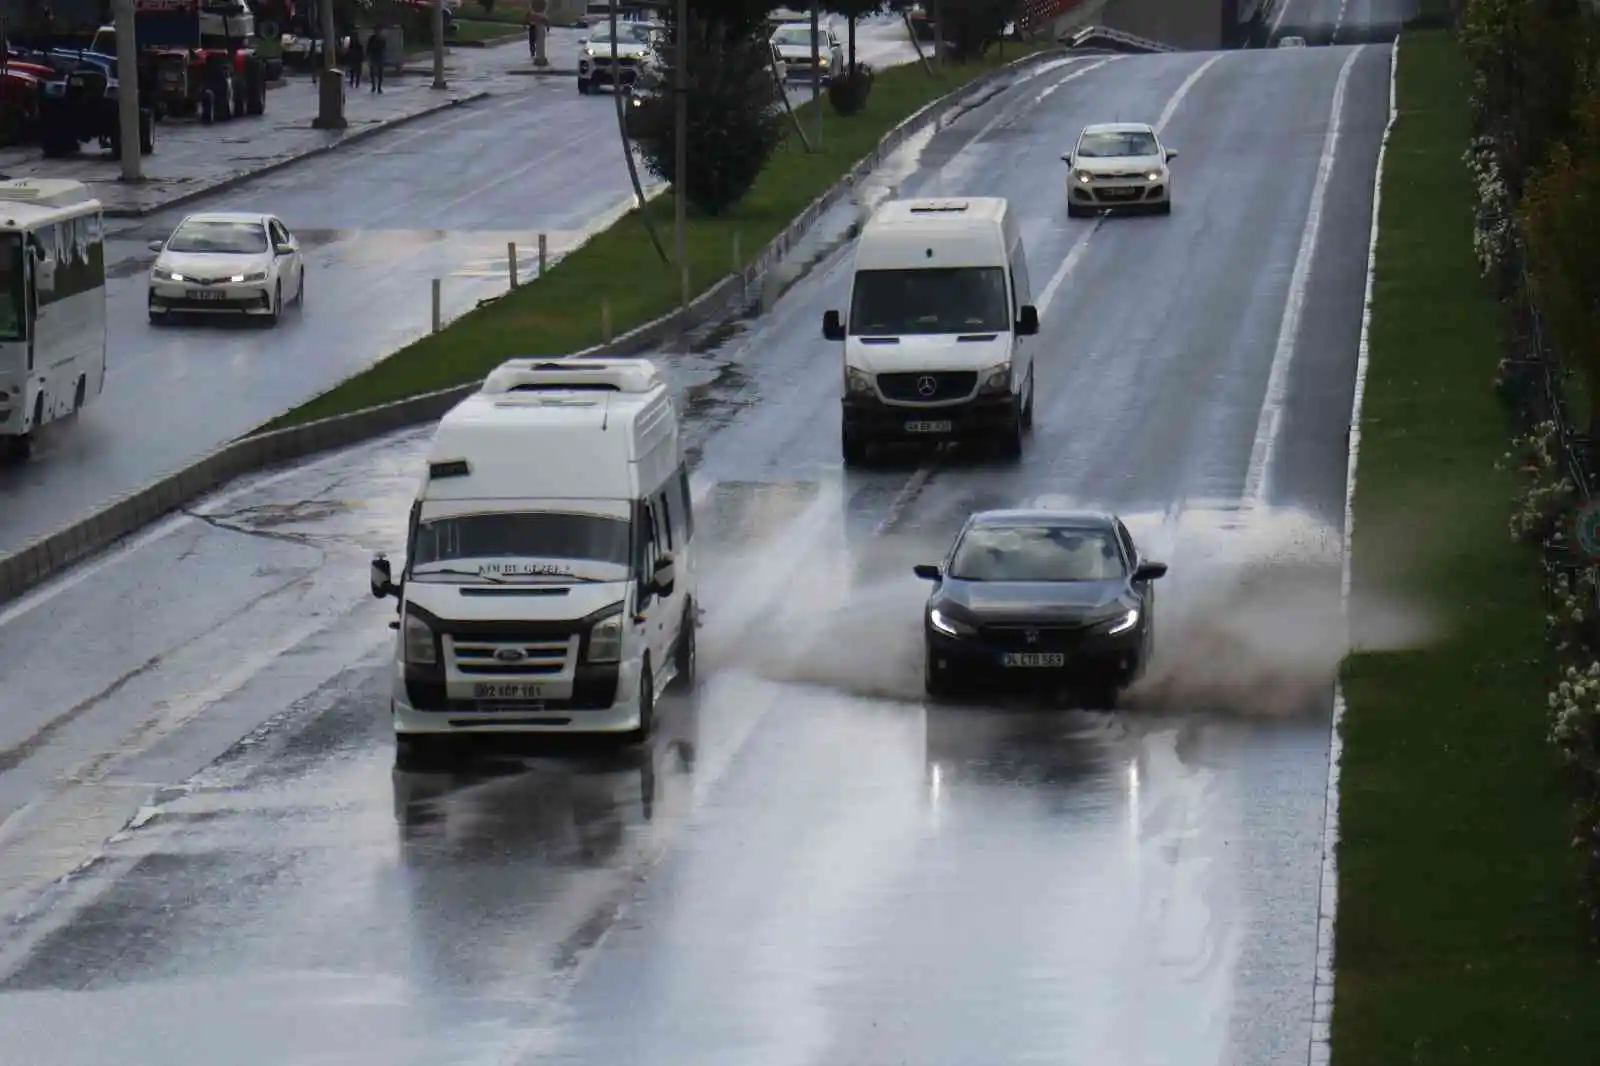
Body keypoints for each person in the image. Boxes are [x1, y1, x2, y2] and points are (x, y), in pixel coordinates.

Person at [366, 26, 386, 93]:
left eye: (379, 30)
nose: (377, 32)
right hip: (373, 57)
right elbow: (368, 48)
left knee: (380, 73)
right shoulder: (372, 38)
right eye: (376, 30)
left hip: (379, 57)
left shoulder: (382, 39)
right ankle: (373, 86)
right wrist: (368, 56)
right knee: (372, 73)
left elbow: (384, 48)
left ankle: (379, 87)